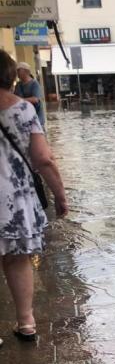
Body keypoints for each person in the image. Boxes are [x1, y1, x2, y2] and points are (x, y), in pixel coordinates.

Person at [0, 50, 68, 347]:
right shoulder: (23, 111)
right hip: (14, 201)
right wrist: (60, 196)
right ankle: (26, 322)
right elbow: (44, 159)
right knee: (17, 261)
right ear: (11, 76)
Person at [14, 62, 45, 129]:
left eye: (19, 70)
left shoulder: (34, 84)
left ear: (26, 71)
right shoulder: (18, 85)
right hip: (24, 121)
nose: (17, 73)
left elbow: (35, 99)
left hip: (36, 119)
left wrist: (19, 100)